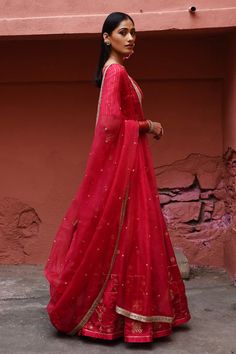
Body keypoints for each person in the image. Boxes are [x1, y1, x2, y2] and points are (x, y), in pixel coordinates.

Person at [45, 12, 191, 343]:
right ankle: (114, 317)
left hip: (133, 164)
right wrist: (147, 125)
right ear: (106, 37)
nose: (130, 38)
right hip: (128, 166)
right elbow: (111, 124)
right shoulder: (116, 72)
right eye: (123, 32)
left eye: (133, 32)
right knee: (126, 237)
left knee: (128, 238)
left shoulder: (117, 72)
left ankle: (127, 316)